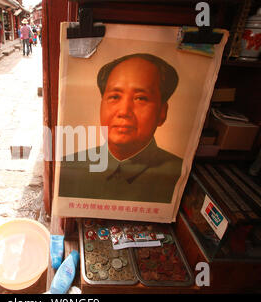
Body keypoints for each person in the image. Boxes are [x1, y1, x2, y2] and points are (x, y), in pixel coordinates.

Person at [58, 53, 183, 203]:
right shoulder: (69, 167)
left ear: (162, 112)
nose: (124, 111)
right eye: (115, 97)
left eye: (141, 98)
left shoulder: (178, 174)